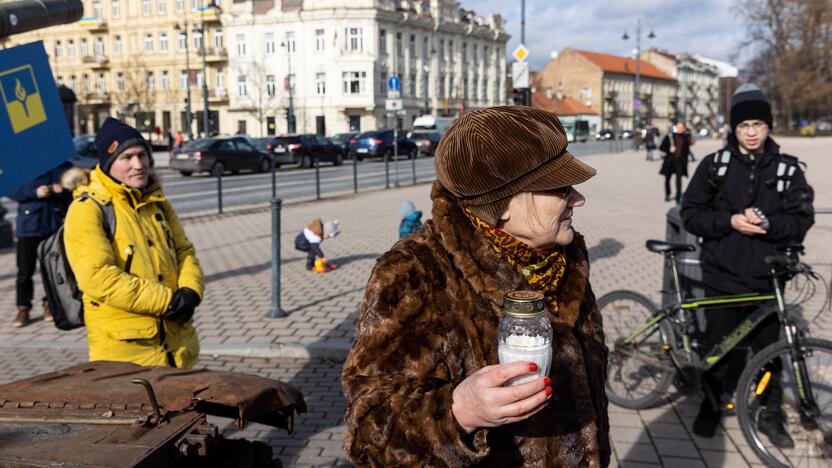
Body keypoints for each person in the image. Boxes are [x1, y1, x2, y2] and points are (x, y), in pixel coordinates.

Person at [342, 106, 609, 466]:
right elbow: (368, 428)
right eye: (560, 188)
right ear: (501, 205)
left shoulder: (563, 258)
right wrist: (459, 412)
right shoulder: (415, 272)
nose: (578, 199)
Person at [681, 84, 814, 445]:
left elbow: (802, 218)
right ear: (734, 129)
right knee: (717, 347)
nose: (752, 132)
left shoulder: (789, 170)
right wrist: (730, 222)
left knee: (770, 352)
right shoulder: (715, 166)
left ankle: (770, 414)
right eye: (744, 126)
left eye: (758, 123)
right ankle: (711, 405)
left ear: (768, 125)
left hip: (768, 279)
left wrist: (771, 224)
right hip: (721, 274)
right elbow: (690, 214)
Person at [63, 117, 204, 368]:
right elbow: (97, 277)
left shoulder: (157, 201)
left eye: (142, 155)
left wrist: (191, 290)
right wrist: (167, 301)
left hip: (176, 344)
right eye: (126, 157)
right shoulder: (88, 209)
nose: (138, 164)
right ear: (108, 164)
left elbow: (184, 251)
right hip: (126, 353)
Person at [7, 162, 73, 327]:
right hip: (29, 227)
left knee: (52, 270)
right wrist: (34, 192)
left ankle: (49, 304)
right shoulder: (22, 165)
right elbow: (11, 189)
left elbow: (72, 191)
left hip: (52, 225)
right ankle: (23, 308)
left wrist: (62, 190)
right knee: (24, 271)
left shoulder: (60, 165)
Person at [659, 121, 695, 203]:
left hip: (680, 161)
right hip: (670, 161)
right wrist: (669, 149)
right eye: (678, 127)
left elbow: (689, 147)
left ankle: (678, 198)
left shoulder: (686, 137)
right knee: (667, 178)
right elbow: (661, 147)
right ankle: (667, 194)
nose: (679, 129)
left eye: (681, 127)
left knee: (679, 180)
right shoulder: (669, 137)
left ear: (684, 129)